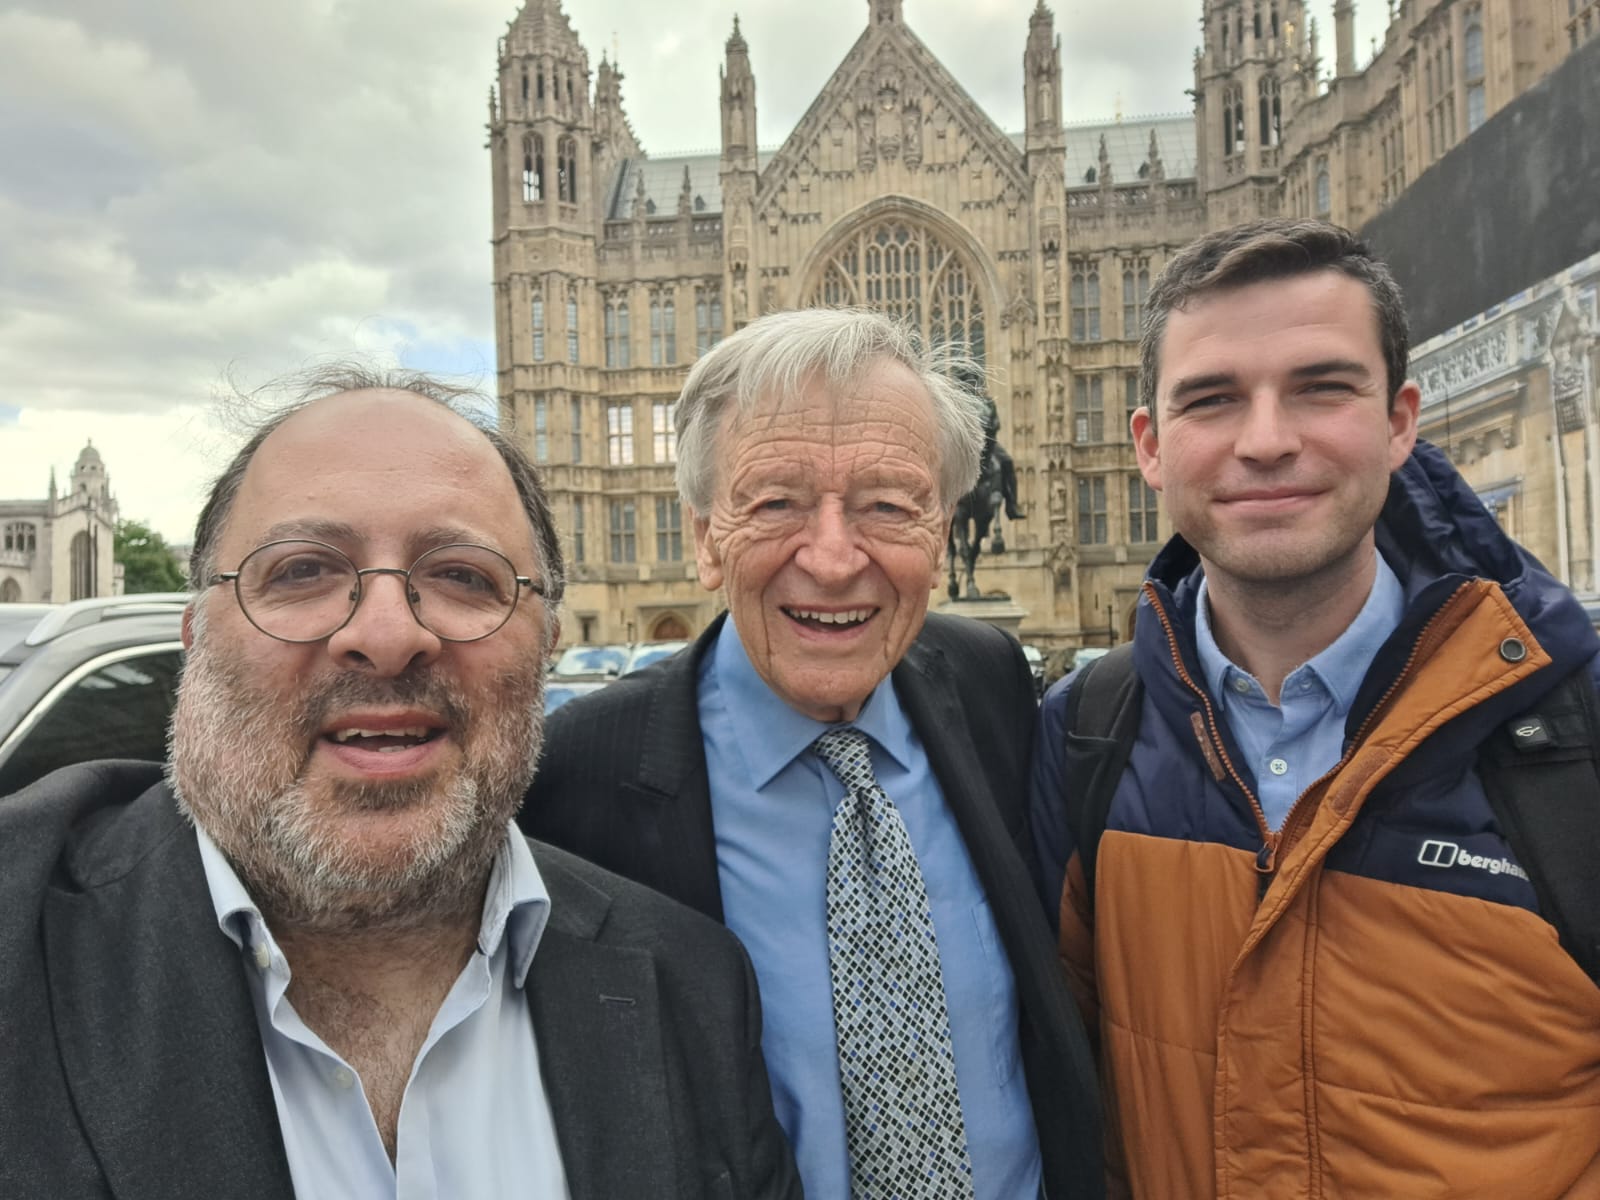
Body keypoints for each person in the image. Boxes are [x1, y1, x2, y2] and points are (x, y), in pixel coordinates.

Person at [0, 370, 800, 1200]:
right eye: (303, 569)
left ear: (548, 644)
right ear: (198, 635)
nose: (387, 634)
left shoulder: (693, 989)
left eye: (462, 576)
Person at [1030, 219, 1600, 1198]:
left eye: (1320, 388)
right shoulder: (1086, 736)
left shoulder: (1567, 736)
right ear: (1150, 448)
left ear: (1399, 420)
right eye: (1212, 399)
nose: (1264, 441)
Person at [524, 308, 1104, 1199]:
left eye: (887, 505)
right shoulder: (573, 775)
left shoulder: (989, 684)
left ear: (942, 534)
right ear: (705, 537)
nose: (834, 560)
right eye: (776, 503)